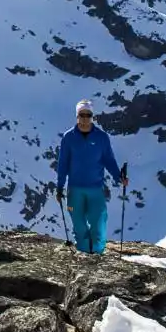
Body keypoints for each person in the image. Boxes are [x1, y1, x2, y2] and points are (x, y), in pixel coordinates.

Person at [56, 99, 124, 254]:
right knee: (79, 225)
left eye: (88, 115)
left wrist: (119, 177)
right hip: (74, 190)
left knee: (98, 223)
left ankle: (98, 254)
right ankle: (84, 254)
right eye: (82, 115)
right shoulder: (68, 138)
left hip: (96, 189)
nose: (85, 118)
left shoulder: (101, 137)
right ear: (77, 116)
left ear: (92, 116)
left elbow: (109, 160)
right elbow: (63, 164)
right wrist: (59, 187)